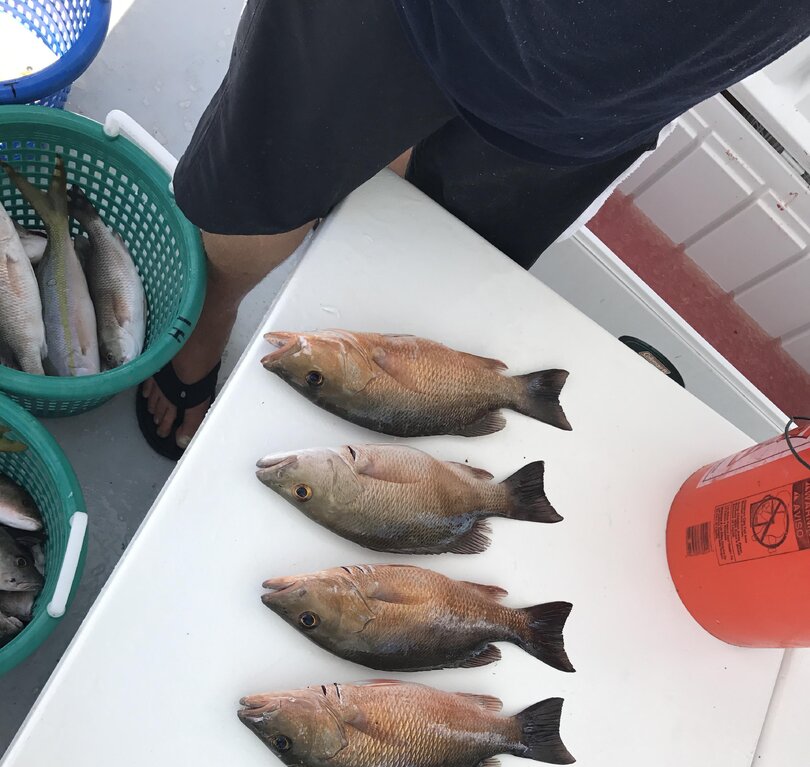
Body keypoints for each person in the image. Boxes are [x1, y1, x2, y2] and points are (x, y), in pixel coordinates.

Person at [138, 0, 810, 458]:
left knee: (413, 273)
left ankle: (340, 387)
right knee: (261, 181)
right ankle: (210, 315)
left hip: (610, 86)